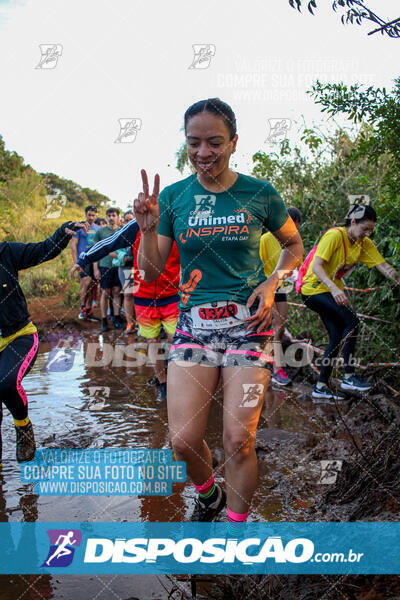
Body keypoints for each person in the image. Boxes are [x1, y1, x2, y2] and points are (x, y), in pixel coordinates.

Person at [134, 98, 303, 525]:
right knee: (183, 441)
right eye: (194, 143)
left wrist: (272, 282)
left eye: (214, 142)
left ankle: (235, 530)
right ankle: (208, 493)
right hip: (194, 329)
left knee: (237, 438)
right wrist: (148, 228)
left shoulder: (260, 192)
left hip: (249, 327)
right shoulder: (174, 197)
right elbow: (152, 273)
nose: (203, 152)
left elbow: (293, 247)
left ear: (233, 143)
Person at [0, 221, 87, 465]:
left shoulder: (5, 252)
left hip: (18, 336)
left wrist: (61, 234)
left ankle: (23, 427)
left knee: (6, 385)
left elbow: (40, 251)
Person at [71, 218, 181, 400]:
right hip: (144, 296)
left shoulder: (175, 222)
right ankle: (163, 384)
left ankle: (174, 378)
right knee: (152, 342)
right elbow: (109, 243)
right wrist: (84, 259)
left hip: (172, 294)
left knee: (175, 340)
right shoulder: (136, 225)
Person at [300, 204, 400, 400]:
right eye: (365, 228)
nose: (368, 233)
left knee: (337, 336)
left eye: (371, 229)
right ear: (353, 222)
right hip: (313, 289)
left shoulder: (364, 244)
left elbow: (383, 266)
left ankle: (320, 387)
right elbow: (317, 267)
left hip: (328, 291)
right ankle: (349, 376)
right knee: (352, 322)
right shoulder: (335, 236)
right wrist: (335, 289)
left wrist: (397, 278)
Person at [260, 206, 302, 386]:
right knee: (270, 327)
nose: (294, 232)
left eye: (297, 229)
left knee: (280, 328)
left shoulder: (292, 242)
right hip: (265, 288)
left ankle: (273, 366)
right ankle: (274, 368)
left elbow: (294, 263)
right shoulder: (266, 239)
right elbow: (257, 266)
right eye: (292, 227)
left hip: (282, 289)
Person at [91, 208, 123, 332]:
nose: (111, 218)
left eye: (113, 215)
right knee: (105, 293)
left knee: (116, 291)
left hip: (118, 265)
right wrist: (95, 269)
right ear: (106, 217)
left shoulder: (121, 231)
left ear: (117, 217)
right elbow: (95, 251)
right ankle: (104, 320)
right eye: (109, 215)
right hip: (104, 265)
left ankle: (115, 318)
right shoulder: (100, 232)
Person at [70, 205, 100, 322]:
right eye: (89, 215)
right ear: (85, 215)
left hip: (94, 260)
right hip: (83, 260)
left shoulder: (98, 229)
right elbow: (73, 246)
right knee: (85, 282)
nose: (91, 217)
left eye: (93, 215)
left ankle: (88, 310)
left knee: (91, 284)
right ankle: (82, 309)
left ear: (96, 215)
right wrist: (76, 263)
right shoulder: (79, 228)